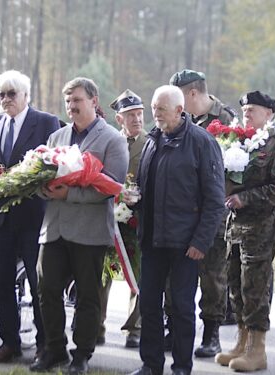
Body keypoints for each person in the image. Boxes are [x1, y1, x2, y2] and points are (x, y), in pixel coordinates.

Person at [30, 77, 128, 374]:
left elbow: (112, 186)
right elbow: (37, 176)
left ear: (94, 102)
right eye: (68, 102)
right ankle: (54, 349)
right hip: (54, 228)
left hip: (90, 232)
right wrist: (42, 189)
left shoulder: (112, 139)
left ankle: (82, 354)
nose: (71, 107)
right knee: (46, 291)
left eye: (77, 101)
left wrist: (69, 193)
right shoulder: (56, 137)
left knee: (87, 296)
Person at [127, 85, 224, 375]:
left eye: (161, 109)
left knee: (181, 308)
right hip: (152, 241)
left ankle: (182, 367)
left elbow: (215, 199)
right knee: (149, 305)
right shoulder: (152, 141)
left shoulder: (201, 143)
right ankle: (151, 365)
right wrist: (132, 200)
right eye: (154, 108)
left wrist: (201, 241)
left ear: (180, 111)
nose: (155, 114)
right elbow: (147, 186)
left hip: (185, 245)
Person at [0, 70, 59, 363]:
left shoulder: (46, 122)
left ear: (26, 96)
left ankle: (46, 343)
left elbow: (55, 163)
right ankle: (10, 342)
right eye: (1, 95)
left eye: (11, 94)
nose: (6, 100)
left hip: (34, 217)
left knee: (39, 283)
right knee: (2, 282)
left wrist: (24, 178)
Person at [213, 90, 275, 372]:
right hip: (235, 226)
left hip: (262, 227)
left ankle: (257, 349)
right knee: (235, 285)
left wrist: (244, 198)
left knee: (255, 288)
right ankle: (242, 341)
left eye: (254, 109)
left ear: (269, 114)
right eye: (245, 109)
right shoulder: (236, 141)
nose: (247, 112)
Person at [169, 68, 234, 356]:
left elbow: (233, 169)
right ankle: (176, 329)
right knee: (176, 276)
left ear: (192, 93)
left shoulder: (226, 121)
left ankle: (211, 334)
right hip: (180, 212)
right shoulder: (178, 120)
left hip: (212, 213)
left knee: (212, 276)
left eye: (178, 96)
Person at [98, 89, 146, 349]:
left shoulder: (151, 142)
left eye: (140, 114)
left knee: (137, 274)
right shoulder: (108, 142)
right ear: (119, 119)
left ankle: (134, 328)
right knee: (102, 273)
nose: (137, 119)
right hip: (108, 219)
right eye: (131, 115)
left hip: (136, 220)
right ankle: (97, 325)